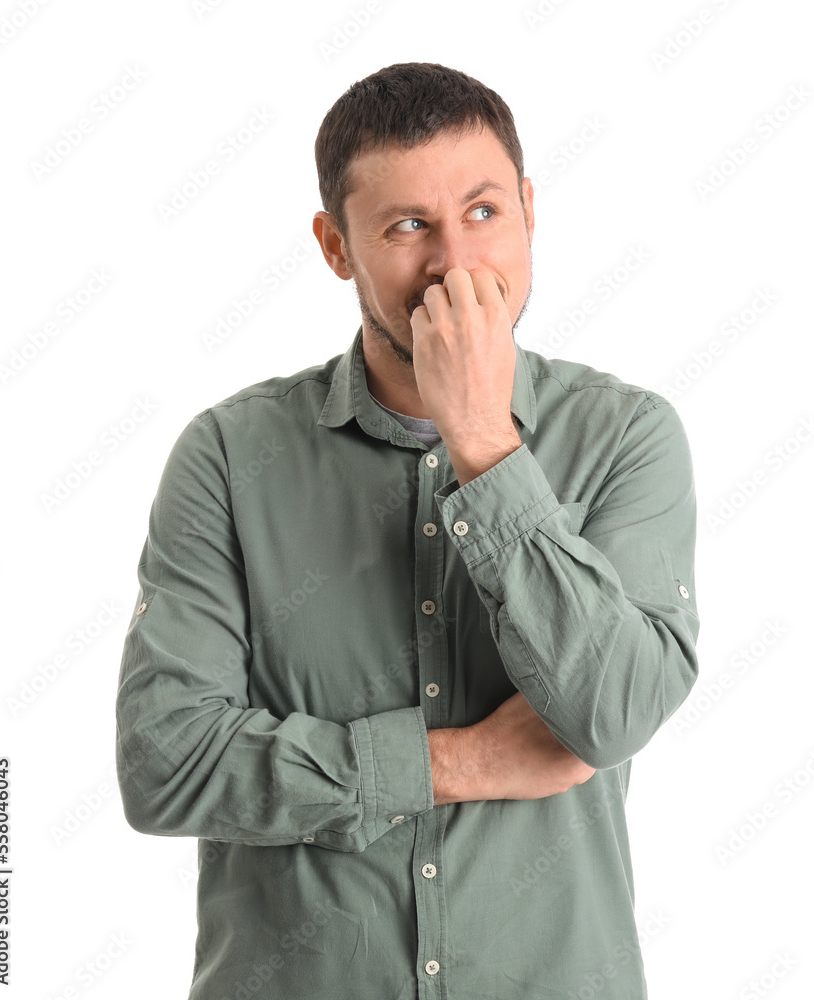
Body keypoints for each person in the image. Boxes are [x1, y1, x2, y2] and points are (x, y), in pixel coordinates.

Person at [115, 61, 699, 1000]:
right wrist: (457, 763)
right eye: (406, 227)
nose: (456, 265)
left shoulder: (627, 436)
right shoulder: (228, 456)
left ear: (530, 209)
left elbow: (617, 715)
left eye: (482, 212)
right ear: (335, 246)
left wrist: (483, 444)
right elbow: (166, 764)